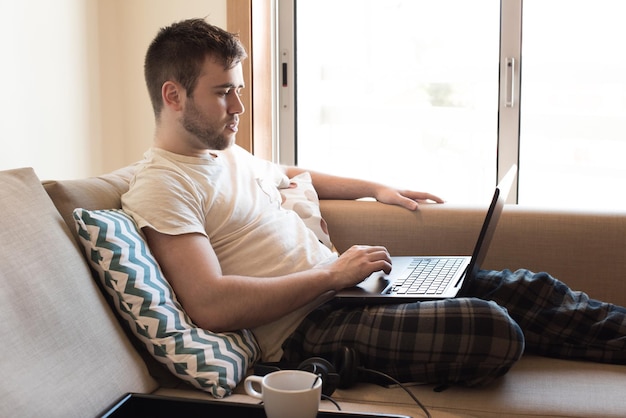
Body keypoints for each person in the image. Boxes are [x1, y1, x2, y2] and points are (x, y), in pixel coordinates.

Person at [122, 18, 626, 388]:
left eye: (240, 90)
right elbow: (209, 304)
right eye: (223, 93)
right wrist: (332, 276)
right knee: (490, 326)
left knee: (530, 289)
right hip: (307, 330)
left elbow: (294, 175)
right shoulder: (164, 186)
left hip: (348, 290)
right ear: (174, 95)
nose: (239, 107)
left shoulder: (224, 154)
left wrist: (375, 187)